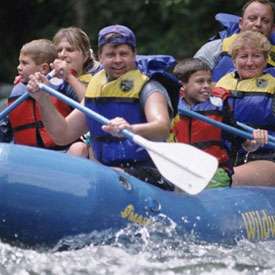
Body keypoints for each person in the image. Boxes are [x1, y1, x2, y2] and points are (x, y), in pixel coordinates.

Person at [27, 24, 174, 190]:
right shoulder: (95, 90)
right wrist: (43, 100)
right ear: (100, 57)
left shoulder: (150, 88)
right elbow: (63, 135)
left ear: (134, 55)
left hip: (149, 172)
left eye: (123, 54)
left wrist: (131, 128)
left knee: (109, 177)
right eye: (111, 54)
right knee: (81, 161)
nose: (117, 60)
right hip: (107, 172)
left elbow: (162, 127)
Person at [169, 57, 271, 188]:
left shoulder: (219, 110)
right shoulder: (170, 108)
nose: (206, 86)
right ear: (182, 85)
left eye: (209, 81)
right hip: (179, 171)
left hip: (215, 173)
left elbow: (246, 145)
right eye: (200, 82)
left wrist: (256, 140)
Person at [215, 30, 275, 185]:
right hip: (226, 158)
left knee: (224, 179)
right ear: (234, 61)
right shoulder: (220, 85)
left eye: (256, 56)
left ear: (266, 60)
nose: (249, 62)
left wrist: (261, 139)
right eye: (243, 56)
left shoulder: (273, 86)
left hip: (267, 157)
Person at [1, 38, 79, 150]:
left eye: (24, 63)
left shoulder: (63, 87)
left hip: (62, 152)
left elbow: (84, 107)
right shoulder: (17, 90)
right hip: (27, 155)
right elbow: (5, 128)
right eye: (19, 62)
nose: (19, 67)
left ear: (44, 68)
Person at [194, 0, 275, 82]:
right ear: (241, 23)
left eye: (265, 21)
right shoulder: (214, 48)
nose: (258, 24)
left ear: (272, 28)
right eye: (252, 18)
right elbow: (191, 85)